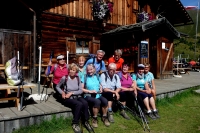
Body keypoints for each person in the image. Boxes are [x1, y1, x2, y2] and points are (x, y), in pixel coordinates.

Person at [56, 63, 93, 133]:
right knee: (79, 104)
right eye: (71, 70)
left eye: (74, 70)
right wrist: (62, 92)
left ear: (76, 72)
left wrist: (72, 93)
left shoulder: (78, 78)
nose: (72, 71)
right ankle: (75, 123)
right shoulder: (65, 78)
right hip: (67, 98)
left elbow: (80, 90)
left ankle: (86, 121)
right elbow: (57, 86)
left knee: (85, 103)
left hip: (77, 96)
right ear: (69, 70)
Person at [82, 64, 110, 128]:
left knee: (105, 101)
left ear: (94, 69)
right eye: (88, 70)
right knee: (97, 102)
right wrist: (90, 91)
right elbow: (81, 88)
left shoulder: (97, 76)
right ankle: (94, 118)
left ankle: (104, 117)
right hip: (88, 95)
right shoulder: (84, 77)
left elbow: (100, 84)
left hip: (98, 94)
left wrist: (100, 88)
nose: (89, 71)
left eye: (91, 69)